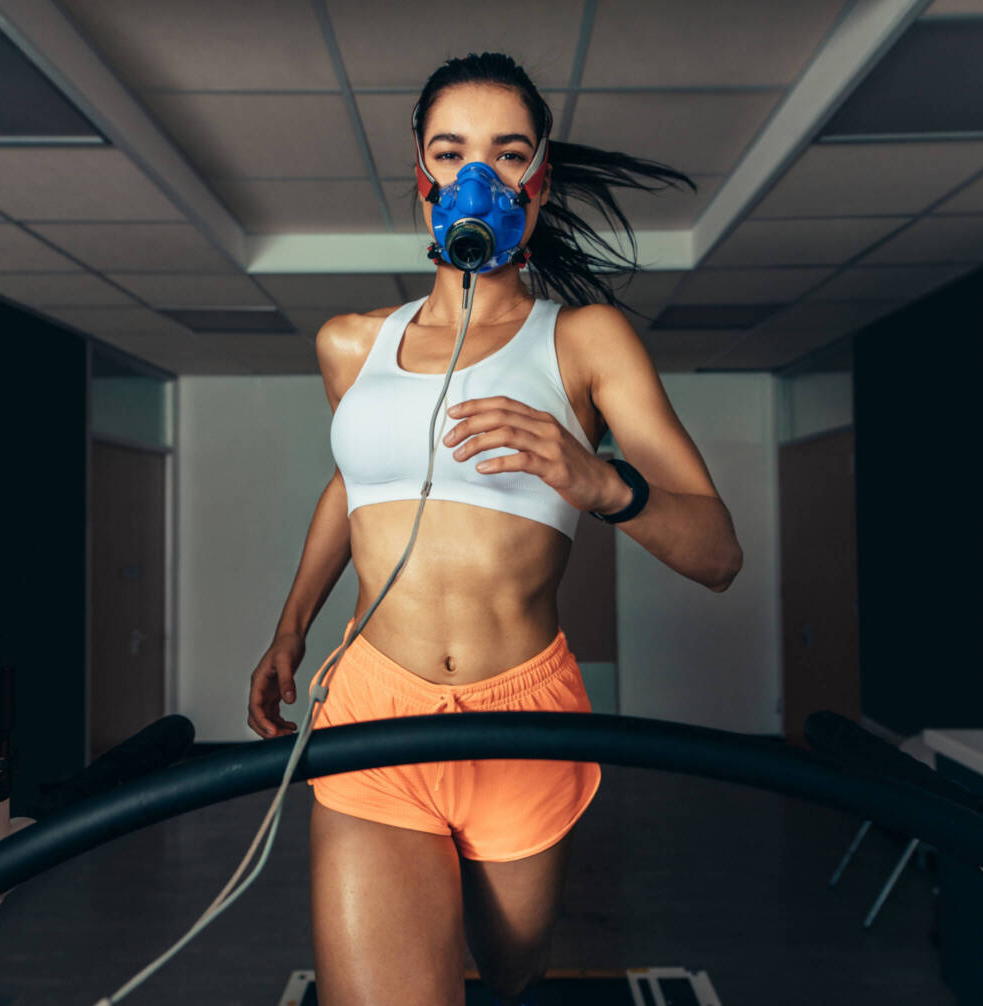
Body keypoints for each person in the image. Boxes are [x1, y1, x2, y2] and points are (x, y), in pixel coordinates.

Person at [247, 51, 744, 1006]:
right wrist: (290, 626)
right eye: (452, 150)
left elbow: (719, 554)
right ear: (421, 181)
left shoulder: (586, 340)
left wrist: (599, 481)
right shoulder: (352, 341)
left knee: (513, 981)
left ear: (539, 180)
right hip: (371, 711)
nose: (480, 175)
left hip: (523, 717)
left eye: (509, 153)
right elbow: (353, 484)